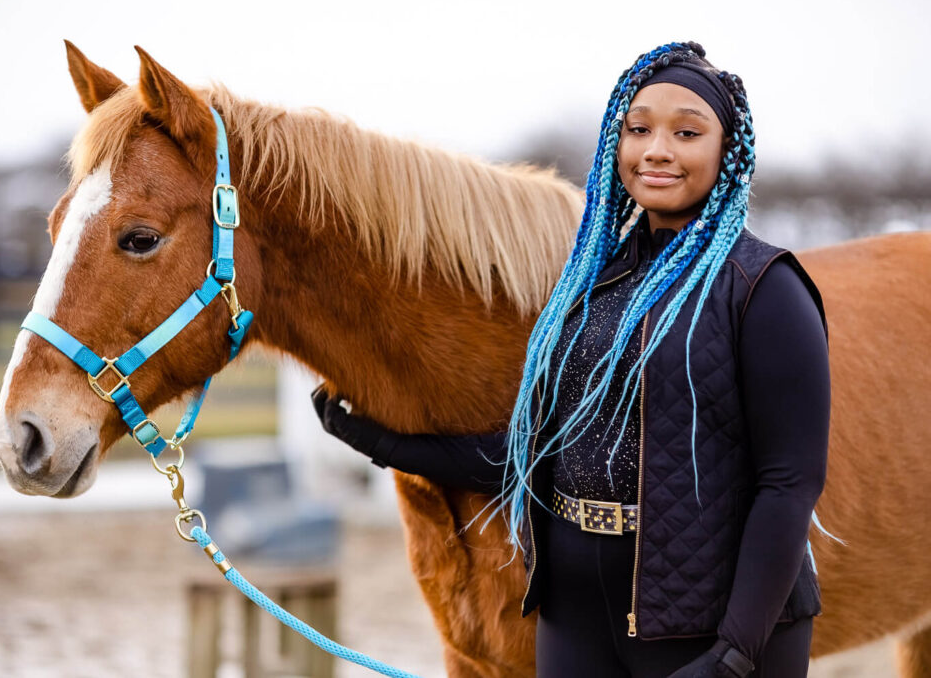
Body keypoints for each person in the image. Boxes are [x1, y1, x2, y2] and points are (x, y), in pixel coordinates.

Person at [312, 41, 830, 678]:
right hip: (575, 617)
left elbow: (790, 483)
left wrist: (735, 653)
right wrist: (378, 439)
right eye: (638, 129)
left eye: (687, 132)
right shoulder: (591, 289)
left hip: (709, 625)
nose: (657, 149)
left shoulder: (765, 288)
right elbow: (533, 458)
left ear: (728, 152)